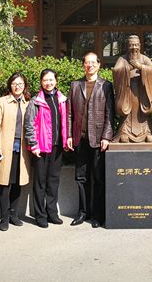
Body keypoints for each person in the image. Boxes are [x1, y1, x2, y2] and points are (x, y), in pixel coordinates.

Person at [67, 52, 114, 228]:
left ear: (99, 65)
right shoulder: (75, 85)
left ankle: (97, 215)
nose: (90, 65)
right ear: (83, 65)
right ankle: (83, 213)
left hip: (98, 139)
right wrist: (69, 135)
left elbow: (110, 114)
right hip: (80, 138)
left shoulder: (106, 86)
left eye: (93, 62)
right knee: (81, 178)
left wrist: (106, 136)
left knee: (98, 178)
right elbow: (69, 113)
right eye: (87, 62)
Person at [0, 72, 32, 231]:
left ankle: (14, 215)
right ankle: (4, 217)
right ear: (10, 85)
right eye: (14, 84)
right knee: (4, 183)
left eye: (20, 84)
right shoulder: (2, 102)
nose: (17, 86)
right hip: (5, 148)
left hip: (22, 149)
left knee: (18, 182)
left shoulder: (28, 103)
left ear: (24, 86)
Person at [24, 68, 70, 228]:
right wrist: (33, 144)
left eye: (51, 80)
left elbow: (66, 121)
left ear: (56, 81)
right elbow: (29, 125)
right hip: (41, 148)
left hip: (57, 147)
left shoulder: (62, 99)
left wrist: (66, 140)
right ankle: (40, 215)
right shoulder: (35, 101)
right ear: (41, 82)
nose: (48, 83)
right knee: (40, 182)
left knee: (53, 181)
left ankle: (52, 213)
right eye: (45, 80)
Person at [112, 35, 152, 143]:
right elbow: (116, 70)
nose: (134, 48)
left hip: (142, 92)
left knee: (143, 113)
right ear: (127, 46)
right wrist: (128, 68)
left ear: (140, 46)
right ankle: (124, 132)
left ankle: (147, 132)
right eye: (131, 45)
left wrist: (141, 67)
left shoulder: (144, 59)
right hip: (127, 92)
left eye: (136, 45)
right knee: (127, 112)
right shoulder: (122, 59)